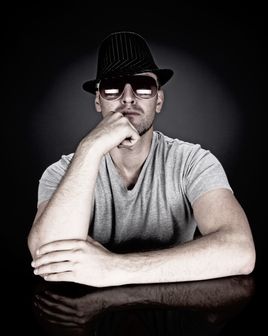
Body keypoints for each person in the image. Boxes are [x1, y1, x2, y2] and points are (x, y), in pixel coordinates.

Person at [28, 31, 256, 287]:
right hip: (90, 320)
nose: (128, 97)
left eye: (143, 86)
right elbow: (46, 254)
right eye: (112, 88)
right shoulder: (61, 173)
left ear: (158, 100)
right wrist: (90, 148)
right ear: (98, 101)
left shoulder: (193, 162)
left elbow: (240, 250)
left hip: (176, 316)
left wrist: (113, 269)